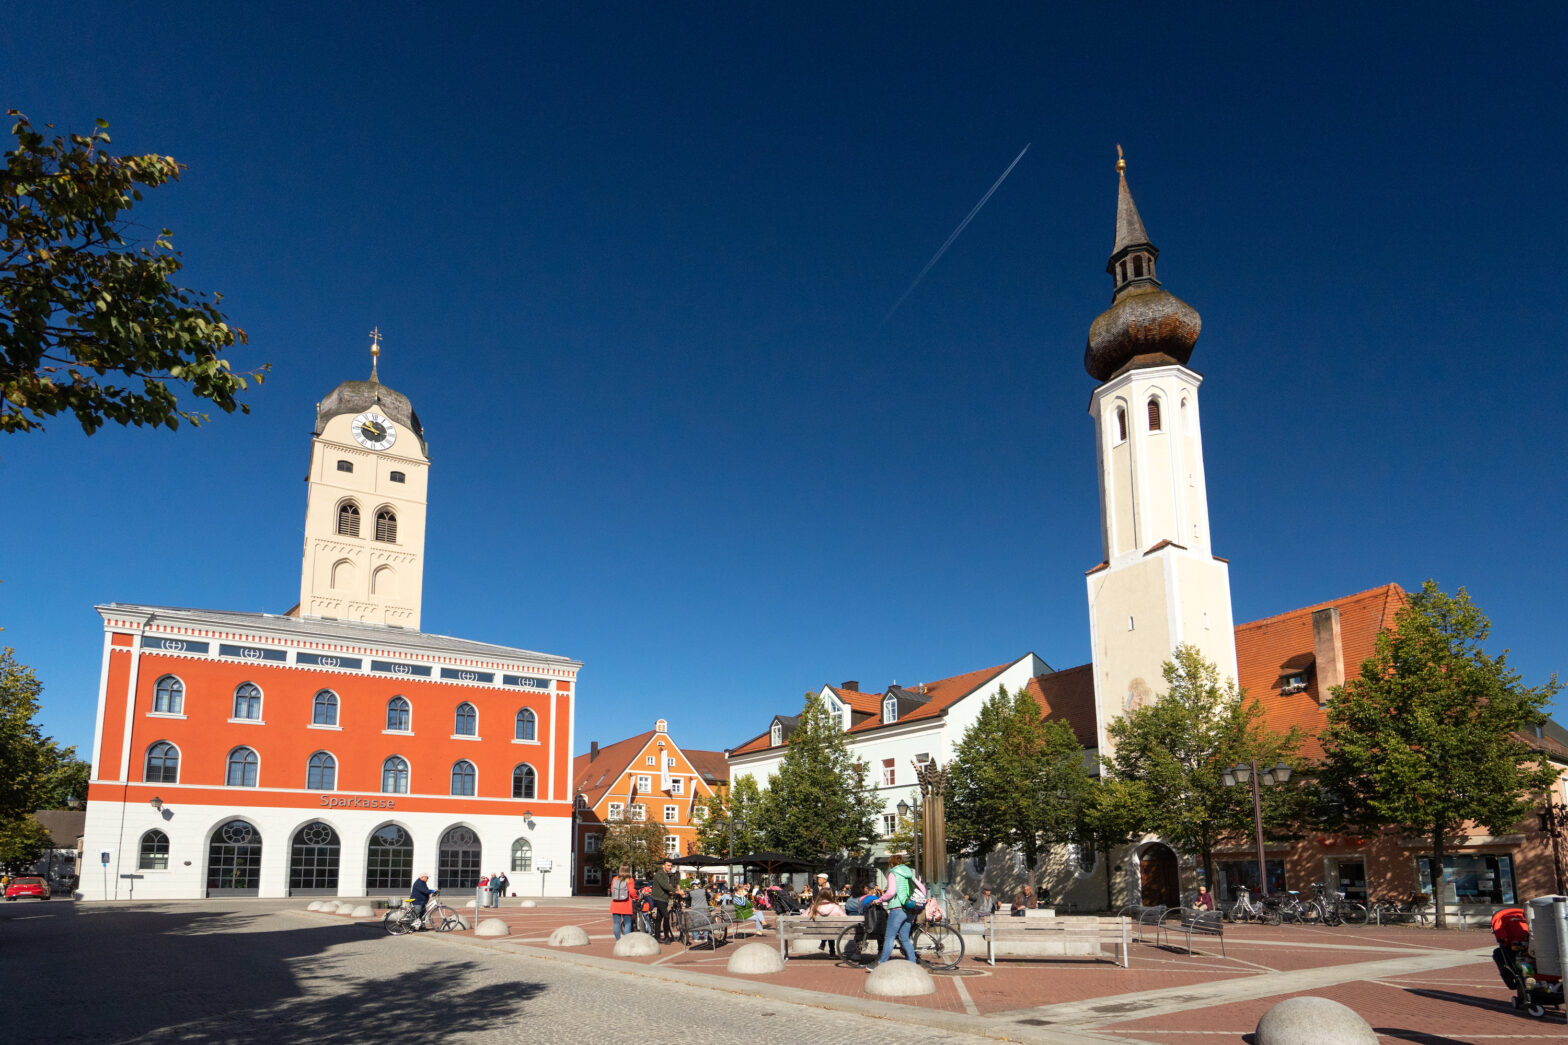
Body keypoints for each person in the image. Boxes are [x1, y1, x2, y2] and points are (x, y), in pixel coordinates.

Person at [873, 853, 921, 965]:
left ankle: (883, 963)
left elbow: (891, 892)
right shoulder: (910, 873)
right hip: (910, 908)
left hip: (898, 908)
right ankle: (913, 963)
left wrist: (879, 900)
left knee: (889, 937)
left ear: (891, 863)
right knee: (904, 937)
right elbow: (921, 888)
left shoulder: (893, 873)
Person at [808, 884, 846, 955]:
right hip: (834, 930)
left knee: (826, 928)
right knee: (830, 929)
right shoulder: (835, 907)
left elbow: (805, 916)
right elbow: (845, 918)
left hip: (816, 930)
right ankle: (832, 951)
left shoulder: (814, 906)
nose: (833, 894)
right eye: (832, 893)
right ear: (829, 895)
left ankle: (823, 943)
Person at [650, 858, 681, 942]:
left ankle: (657, 937)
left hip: (664, 899)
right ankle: (666, 937)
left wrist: (673, 892)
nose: (670, 867)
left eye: (671, 865)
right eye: (668, 865)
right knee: (666, 916)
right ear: (663, 865)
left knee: (659, 918)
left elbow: (668, 887)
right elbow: (664, 885)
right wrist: (676, 891)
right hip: (658, 898)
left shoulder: (667, 874)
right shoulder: (659, 874)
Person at [609, 866, 635, 939]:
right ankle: (625, 941)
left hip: (615, 904)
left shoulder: (615, 879)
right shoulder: (630, 880)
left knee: (616, 923)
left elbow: (612, 890)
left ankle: (618, 941)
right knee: (627, 923)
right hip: (626, 903)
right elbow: (632, 891)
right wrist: (636, 897)